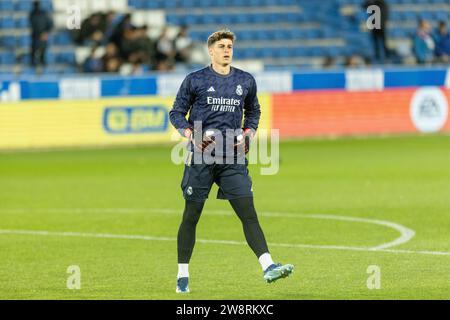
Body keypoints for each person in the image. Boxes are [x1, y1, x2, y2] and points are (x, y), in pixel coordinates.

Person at [169, 29, 294, 294]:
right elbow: (177, 112)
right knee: (191, 216)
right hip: (201, 158)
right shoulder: (195, 80)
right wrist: (191, 134)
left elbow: (254, 111)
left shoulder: (245, 81)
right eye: (222, 46)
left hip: (233, 159)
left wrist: (248, 133)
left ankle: (268, 265)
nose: (227, 50)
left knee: (248, 213)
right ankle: (182, 275)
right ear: (211, 51)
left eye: (230, 47)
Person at [29, 0, 53, 67]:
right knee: (35, 55)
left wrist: (45, 32)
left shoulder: (40, 13)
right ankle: (34, 67)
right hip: (37, 36)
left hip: (40, 36)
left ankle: (41, 67)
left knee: (42, 54)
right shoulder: (33, 13)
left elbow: (50, 24)